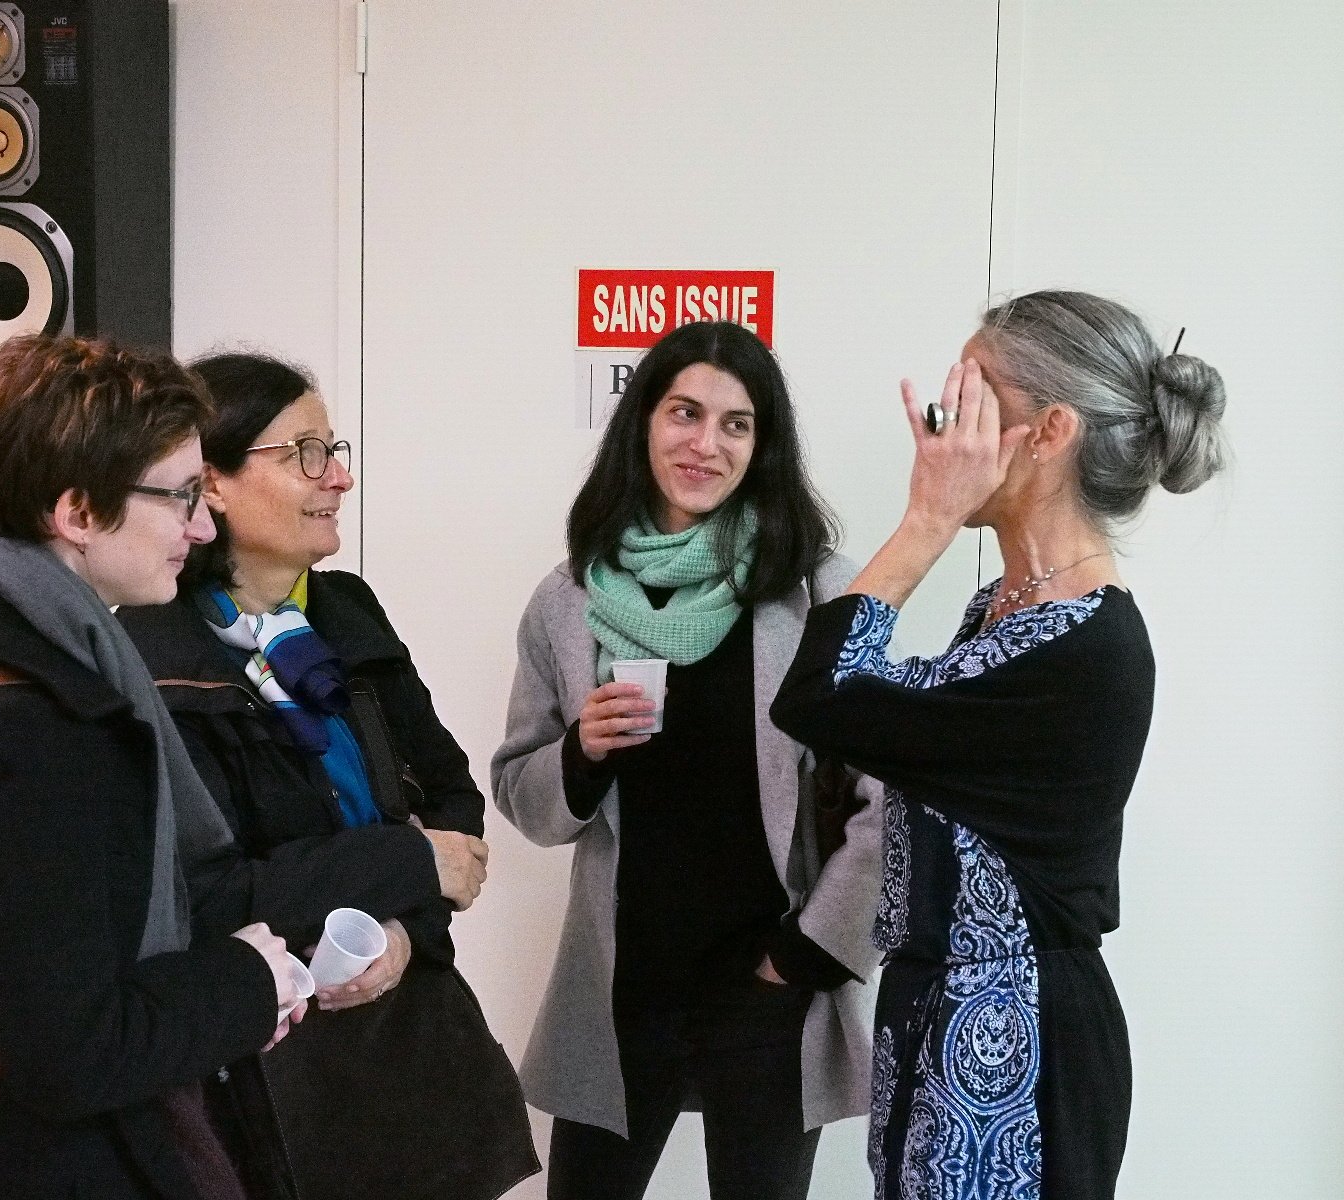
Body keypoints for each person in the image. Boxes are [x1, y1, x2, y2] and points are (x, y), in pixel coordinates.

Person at [769, 291, 1228, 1199]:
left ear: (1050, 432)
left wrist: (929, 520)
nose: (946, 431)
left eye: (974, 402)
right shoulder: (1006, 611)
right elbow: (842, 700)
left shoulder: (1084, 646)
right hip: (944, 1015)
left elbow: (822, 697)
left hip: (1016, 1039)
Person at [0, 334, 306, 1200]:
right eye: (181, 495)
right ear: (78, 512)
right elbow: (71, 1050)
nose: (204, 527)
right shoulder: (38, 729)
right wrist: (250, 985)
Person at [115, 351, 539, 1200]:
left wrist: (407, 935)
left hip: (413, 1048)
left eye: (333, 449)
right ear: (214, 483)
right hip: (267, 1074)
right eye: (303, 453)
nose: (337, 477)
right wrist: (411, 863)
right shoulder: (153, 655)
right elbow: (212, 895)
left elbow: (451, 799)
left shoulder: (346, 610)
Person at [492, 320, 885, 1200]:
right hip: (622, 991)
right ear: (642, 421)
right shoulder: (569, 597)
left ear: (762, 445)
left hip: (768, 989)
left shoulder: (815, 589)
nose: (706, 443)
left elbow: (888, 800)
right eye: (684, 413)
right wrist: (581, 753)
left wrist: (805, 956)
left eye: (736, 423)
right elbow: (519, 789)